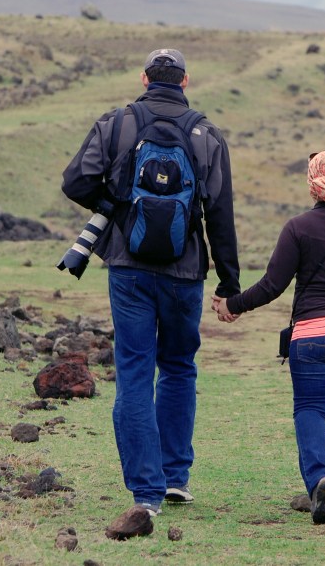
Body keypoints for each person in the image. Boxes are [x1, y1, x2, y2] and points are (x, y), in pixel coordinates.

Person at [61, 48, 241, 519]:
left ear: (144, 79)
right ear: (185, 81)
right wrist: (229, 282)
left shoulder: (116, 123)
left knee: (135, 372)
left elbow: (75, 181)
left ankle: (146, 492)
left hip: (129, 269)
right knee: (179, 368)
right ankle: (175, 478)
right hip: (186, 274)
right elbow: (220, 215)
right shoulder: (207, 134)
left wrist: (117, 205)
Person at [212, 150, 325, 525]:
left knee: (310, 409)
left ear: (310, 182)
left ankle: (318, 481)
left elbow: (272, 285)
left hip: (313, 338)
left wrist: (233, 304)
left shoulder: (297, 227)